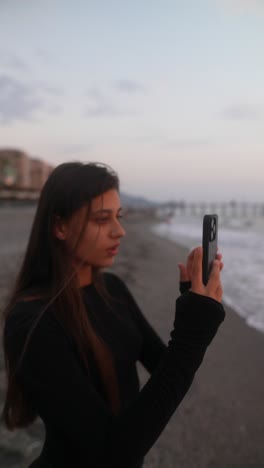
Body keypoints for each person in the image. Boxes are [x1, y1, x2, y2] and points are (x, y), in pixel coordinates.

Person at [2, 162, 225, 468]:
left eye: (118, 217)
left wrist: (190, 309)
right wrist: (192, 335)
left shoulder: (112, 288)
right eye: (101, 219)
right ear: (60, 226)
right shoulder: (31, 320)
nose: (119, 231)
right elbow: (110, 453)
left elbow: (166, 367)